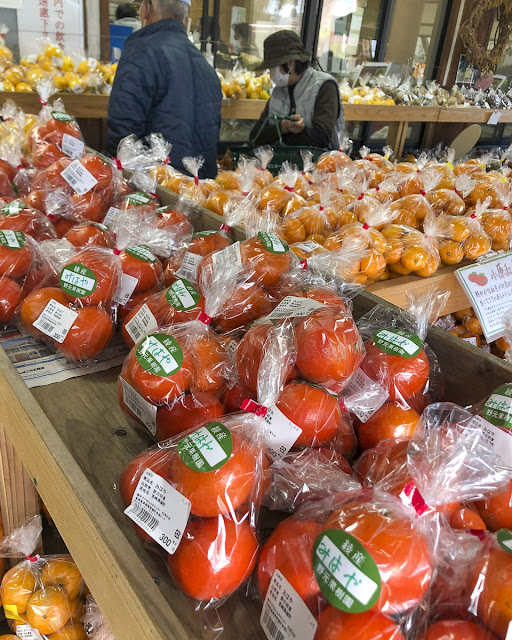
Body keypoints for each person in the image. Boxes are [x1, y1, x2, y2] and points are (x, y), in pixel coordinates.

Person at [107, 0, 222, 178]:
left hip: (155, 191)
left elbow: (123, 136)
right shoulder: (206, 68)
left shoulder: (140, 51)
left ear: (147, 7)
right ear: (185, 17)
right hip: (199, 195)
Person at [250, 30, 344, 150]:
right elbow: (255, 137)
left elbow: (322, 137)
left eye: (273, 67)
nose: (271, 73)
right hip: (281, 165)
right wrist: (283, 126)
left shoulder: (324, 86)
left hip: (320, 165)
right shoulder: (278, 92)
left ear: (290, 63)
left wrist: (295, 131)